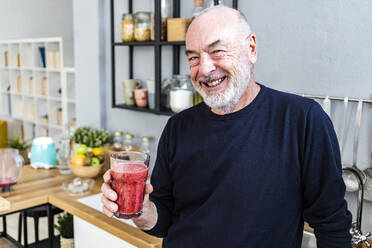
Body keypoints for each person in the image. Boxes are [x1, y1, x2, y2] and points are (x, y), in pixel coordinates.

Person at [101, 6, 352, 248]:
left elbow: (332, 224)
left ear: (251, 48)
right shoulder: (177, 127)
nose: (205, 69)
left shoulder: (303, 120)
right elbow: (162, 219)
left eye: (217, 51)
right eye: (193, 57)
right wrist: (140, 208)